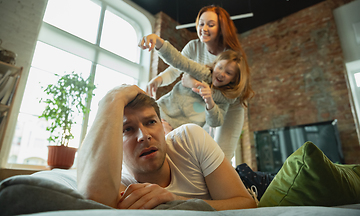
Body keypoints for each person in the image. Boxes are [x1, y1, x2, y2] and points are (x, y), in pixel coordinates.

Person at [77, 84, 257, 210]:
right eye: (128, 129)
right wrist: (112, 98)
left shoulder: (189, 138)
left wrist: (177, 201)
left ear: (163, 128)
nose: (144, 136)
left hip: (251, 180)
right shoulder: (121, 183)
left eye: (151, 122)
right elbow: (93, 201)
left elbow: (246, 203)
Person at [145, 5, 254, 160]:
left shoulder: (230, 57)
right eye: (201, 23)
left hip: (231, 105)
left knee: (223, 156)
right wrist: (158, 79)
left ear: (221, 28)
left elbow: (231, 96)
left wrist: (194, 84)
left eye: (211, 24)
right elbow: (179, 64)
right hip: (200, 103)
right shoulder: (196, 51)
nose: (204, 28)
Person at [139, 34, 249, 133]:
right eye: (220, 67)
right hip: (159, 112)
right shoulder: (202, 72)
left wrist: (210, 102)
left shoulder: (225, 98)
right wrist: (159, 42)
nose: (221, 74)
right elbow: (180, 61)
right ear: (215, 65)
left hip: (177, 131)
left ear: (234, 79)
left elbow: (215, 122)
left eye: (228, 73)